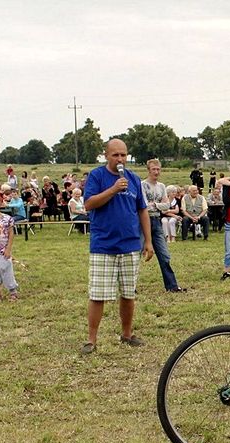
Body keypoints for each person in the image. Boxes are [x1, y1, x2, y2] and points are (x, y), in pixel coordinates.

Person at [80, 138, 154, 355]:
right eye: (115, 155)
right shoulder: (97, 176)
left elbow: (142, 210)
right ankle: (91, 339)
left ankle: (127, 334)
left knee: (128, 293)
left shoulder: (133, 179)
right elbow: (89, 204)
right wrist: (112, 189)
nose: (120, 159)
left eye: (123, 155)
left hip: (130, 245)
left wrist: (148, 241)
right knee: (98, 295)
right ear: (106, 155)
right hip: (104, 245)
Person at [142, 159, 185, 293]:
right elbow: (143, 205)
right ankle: (130, 287)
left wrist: (155, 205)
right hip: (143, 221)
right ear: (148, 170)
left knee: (164, 255)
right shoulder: (142, 185)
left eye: (158, 169)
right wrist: (159, 205)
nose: (156, 172)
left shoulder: (161, 186)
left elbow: (167, 205)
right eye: (153, 169)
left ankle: (171, 286)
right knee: (136, 255)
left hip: (156, 221)